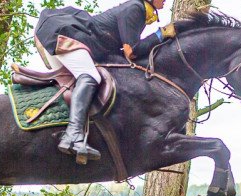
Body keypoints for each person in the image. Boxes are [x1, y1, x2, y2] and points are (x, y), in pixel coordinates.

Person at [34, 0, 176, 162]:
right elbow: (132, 52)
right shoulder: (136, 8)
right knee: (90, 76)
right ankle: (72, 136)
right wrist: (160, 35)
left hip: (61, 35)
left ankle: (69, 130)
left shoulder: (138, 9)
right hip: (66, 34)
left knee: (77, 84)